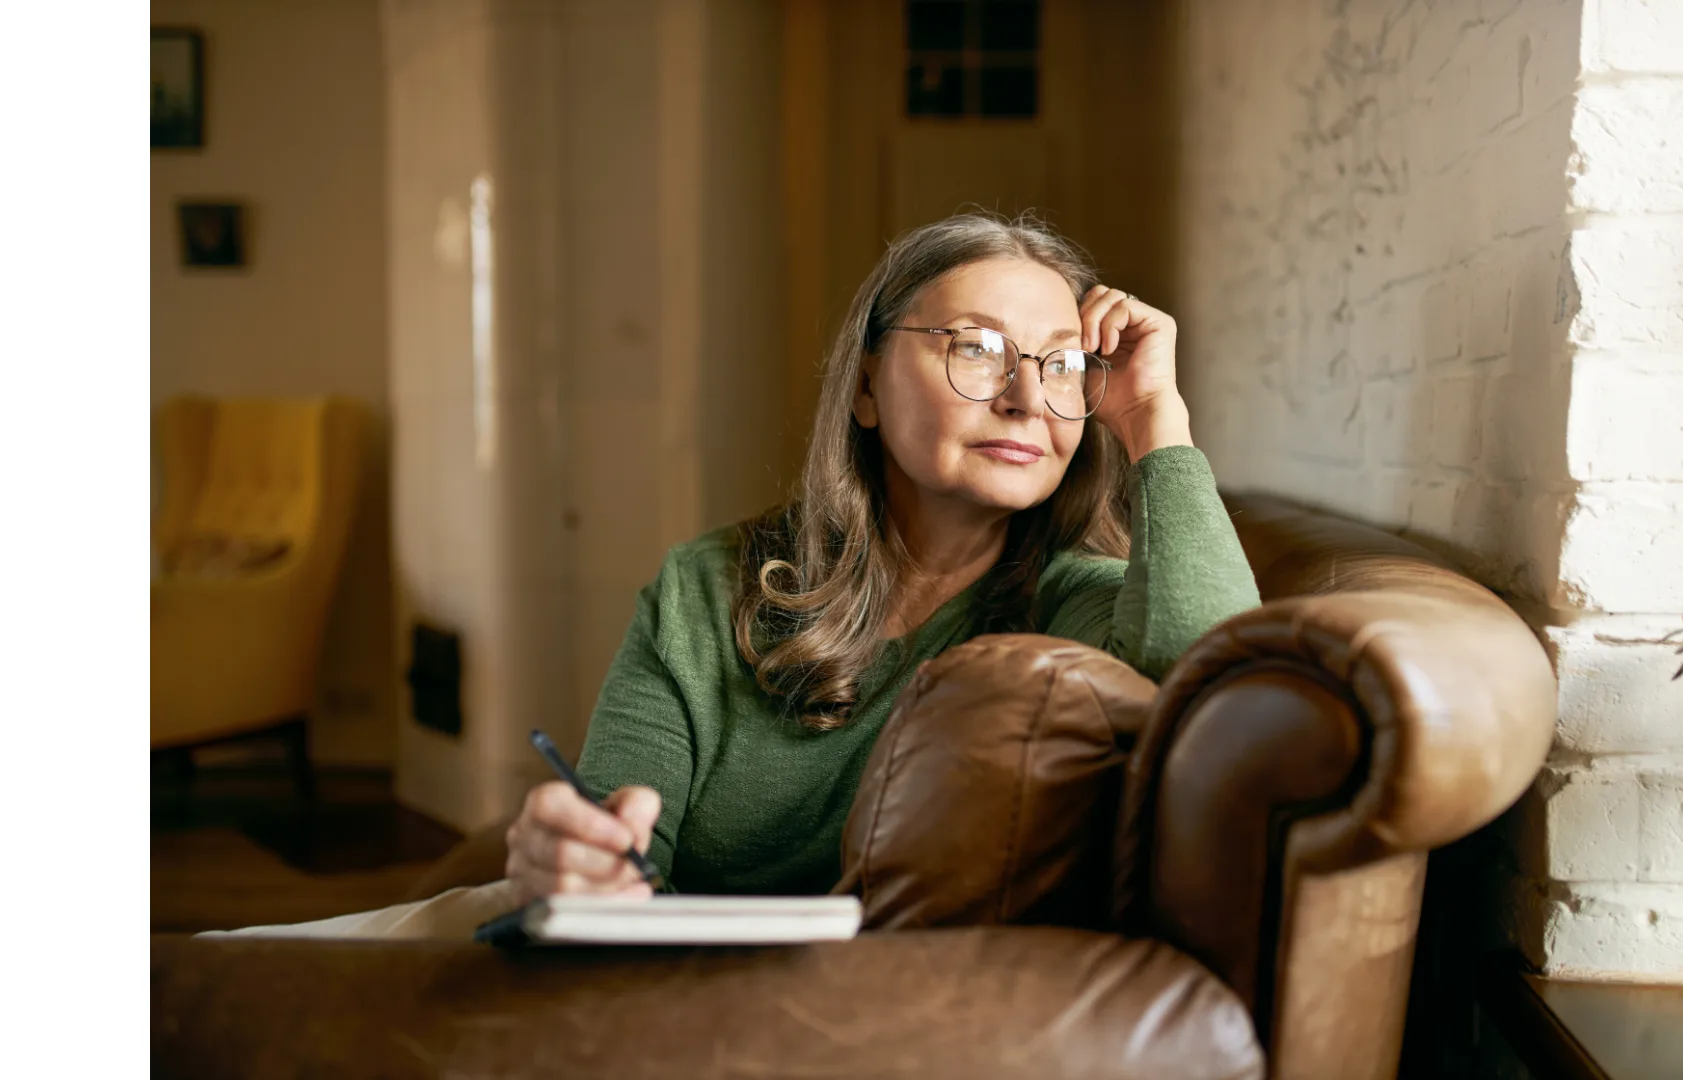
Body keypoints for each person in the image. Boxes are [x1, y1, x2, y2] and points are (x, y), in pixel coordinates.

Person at [209, 211, 1260, 938]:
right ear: (862, 387)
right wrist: (572, 860)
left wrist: (1153, 421)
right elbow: (630, 843)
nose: (1030, 400)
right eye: (977, 348)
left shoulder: (1078, 604)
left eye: (1064, 363)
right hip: (638, 981)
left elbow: (1216, 689)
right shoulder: (712, 585)